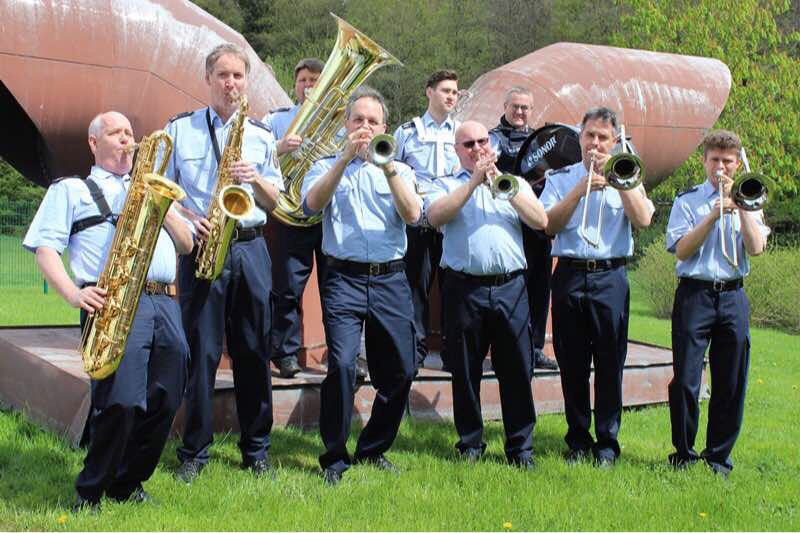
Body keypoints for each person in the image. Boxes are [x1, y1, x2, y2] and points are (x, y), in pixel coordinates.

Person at [23, 111, 192, 510]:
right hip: (114, 302)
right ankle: (91, 490)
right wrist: (72, 294)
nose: (125, 139)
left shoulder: (155, 187)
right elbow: (45, 249)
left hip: (164, 301)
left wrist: (160, 205)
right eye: (116, 133)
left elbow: (186, 245)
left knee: (167, 400)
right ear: (94, 143)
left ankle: (128, 482)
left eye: (130, 133)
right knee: (121, 401)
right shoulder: (72, 190)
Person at [162, 43, 283, 483]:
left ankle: (257, 450)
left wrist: (257, 180)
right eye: (223, 76)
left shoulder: (262, 135)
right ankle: (194, 452)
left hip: (250, 247)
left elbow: (278, 201)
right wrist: (186, 217)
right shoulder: (181, 130)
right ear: (208, 79)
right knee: (202, 352)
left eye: (238, 76)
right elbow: (164, 190)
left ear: (246, 82)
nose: (231, 84)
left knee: (254, 351)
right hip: (203, 246)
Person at [302, 86, 421, 486]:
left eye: (373, 122)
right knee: (340, 365)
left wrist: (385, 166)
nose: (365, 127)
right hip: (343, 278)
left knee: (402, 369)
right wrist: (342, 160)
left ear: (384, 127)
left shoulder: (400, 170)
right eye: (358, 120)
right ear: (346, 124)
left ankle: (372, 449)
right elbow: (313, 205)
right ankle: (334, 457)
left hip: (390, 278)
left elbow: (413, 213)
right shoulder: (325, 164)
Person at [427, 121, 548, 467]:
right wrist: (473, 183)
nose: (476, 148)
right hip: (464, 288)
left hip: (510, 287)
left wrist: (503, 187)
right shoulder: (446, 184)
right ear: (457, 150)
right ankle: (470, 445)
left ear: (491, 144)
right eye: (468, 144)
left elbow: (540, 220)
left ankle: (520, 448)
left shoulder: (515, 183)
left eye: (482, 141)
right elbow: (436, 216)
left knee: (517, 371)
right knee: (466, 372)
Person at [540, 106, 654, 467]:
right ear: (580, 138)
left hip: (610, 276)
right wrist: (580, 188)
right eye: (590, 136)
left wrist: (622, 185)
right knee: (572, 363)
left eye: (604, 137)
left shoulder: (629, 175)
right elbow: (548, 226)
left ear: (616, 141)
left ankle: (607, 443)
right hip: (571, 274)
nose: (596, 143)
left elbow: (644, 219)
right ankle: (577, 440)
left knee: (609, 363)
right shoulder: (561, 177)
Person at [665, 130, 769, 478]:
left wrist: (740, 211)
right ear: (704, 161)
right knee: (686, 379)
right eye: (715, 160)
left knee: (731, 379)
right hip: (695, 293)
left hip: (733, 295)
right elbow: (681, 250)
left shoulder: (752, 199)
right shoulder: (688, 200)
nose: (721, 168)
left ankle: (718, 458)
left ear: (737, 163)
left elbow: (755, 248)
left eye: (727, 161)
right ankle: (684, 452)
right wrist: (711, 216)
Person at [393, 69, 460, 368]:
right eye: (445, 90)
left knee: (453, 288)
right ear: (429, 92)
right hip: (418, 222)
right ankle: (415, 352)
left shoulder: (462, 133)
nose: (451, 96)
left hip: (452, 222)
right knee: (415, 289)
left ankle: (451, 352)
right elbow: (393, 171)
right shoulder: (407, 132)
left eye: (455, 92)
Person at [263, 57, 325, 379]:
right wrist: (281, 146)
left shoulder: (338, 121)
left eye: (315, 80)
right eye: (303, 80)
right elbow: (254, 154)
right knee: (287, 287)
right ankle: (285, 354)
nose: (309, 86)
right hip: (289, 213)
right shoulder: (276, 119)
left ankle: (340, 354)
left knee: (335, 287)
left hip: (327, 216)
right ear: (295, 84)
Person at [489, 86, 558, 371]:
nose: (520, 112)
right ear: (505, 106)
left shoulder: (543, 139)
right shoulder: (492, 139)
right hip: (506, 225)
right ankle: (501, 349)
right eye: (515, 106)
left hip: (537, 225)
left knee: (539, 288)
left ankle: (536, 348)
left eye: (525, 107)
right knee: (506, 290)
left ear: (532, 110)